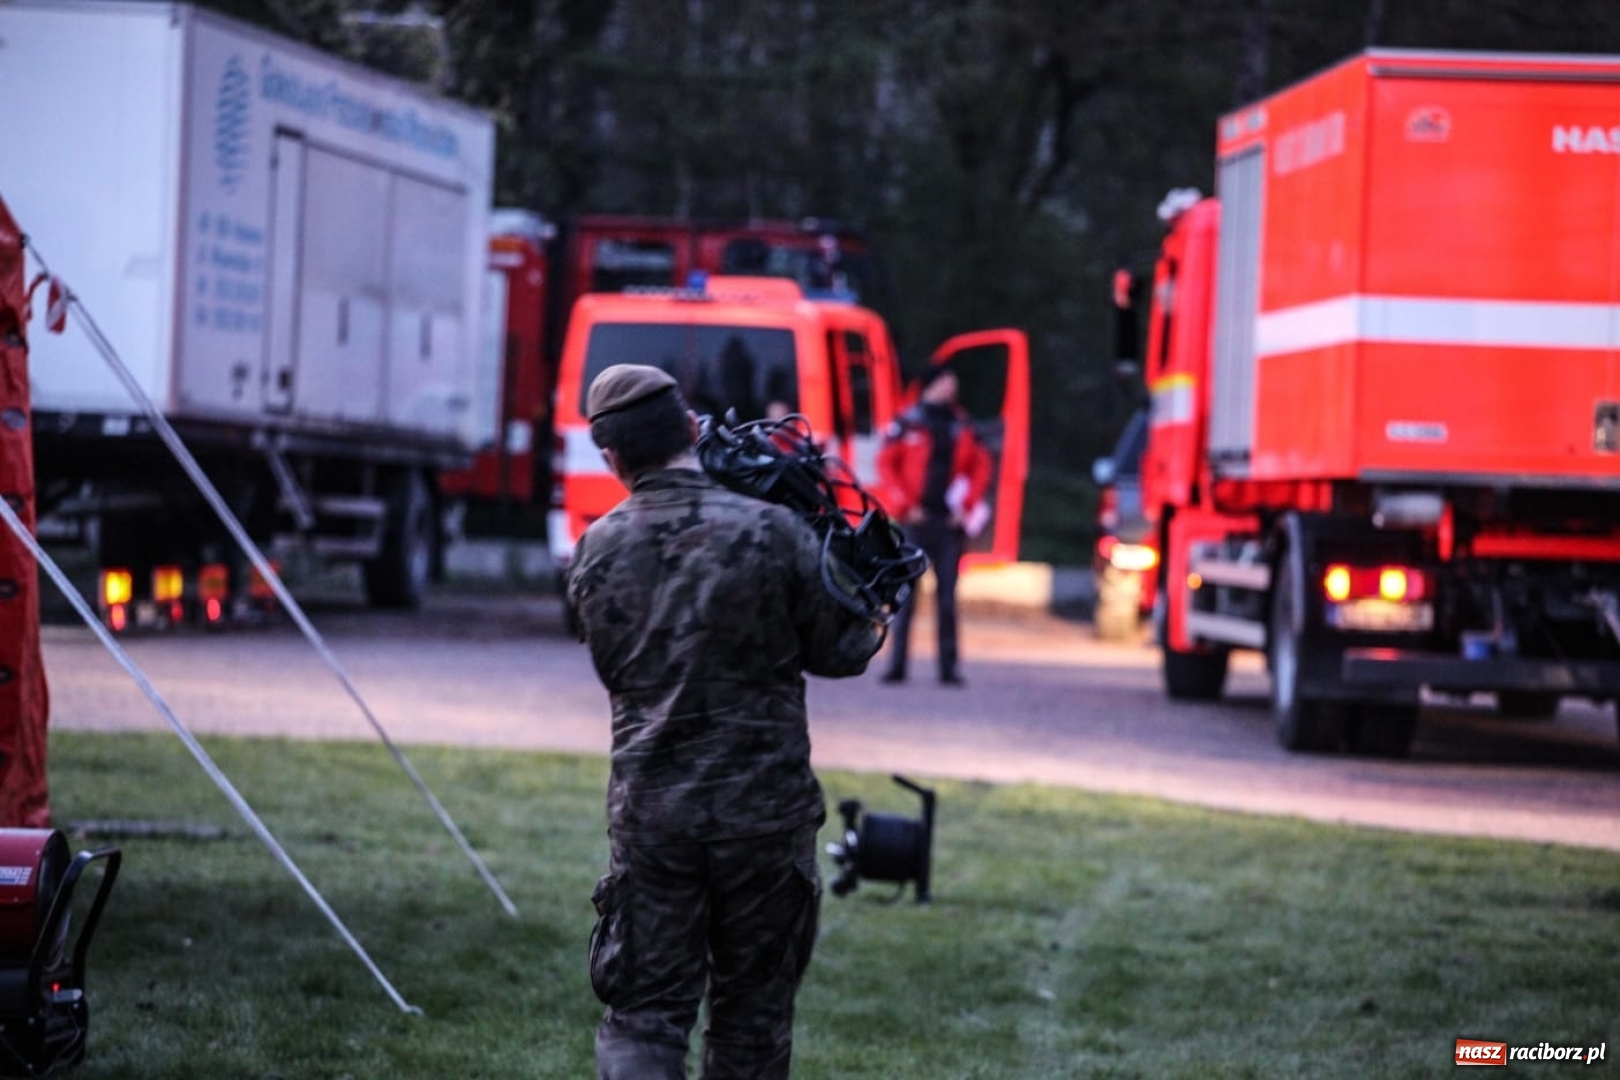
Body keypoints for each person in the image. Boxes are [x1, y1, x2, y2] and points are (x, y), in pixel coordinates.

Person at [566, 363, 884, 1080]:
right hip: (764, 817)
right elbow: (844, 652)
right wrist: (857, 586)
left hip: (654, 815)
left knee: (644, 1017)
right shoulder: (774, 532)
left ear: (611, 457)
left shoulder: (595, 550)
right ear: (690, 428)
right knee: (752, 1018)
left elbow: (617, 667)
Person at [876, 363, 993, 686]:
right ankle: (896, 665)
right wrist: (903, 506)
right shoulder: (908, 422)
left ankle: (948, 668)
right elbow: (887, 465)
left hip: (949, 523)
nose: (951, 389)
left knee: (947, 598)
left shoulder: (962, 425)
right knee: (906, 595)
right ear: (931, 385)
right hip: (915, 520)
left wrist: (966, 507)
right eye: (946, 382)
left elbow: (981, 469)